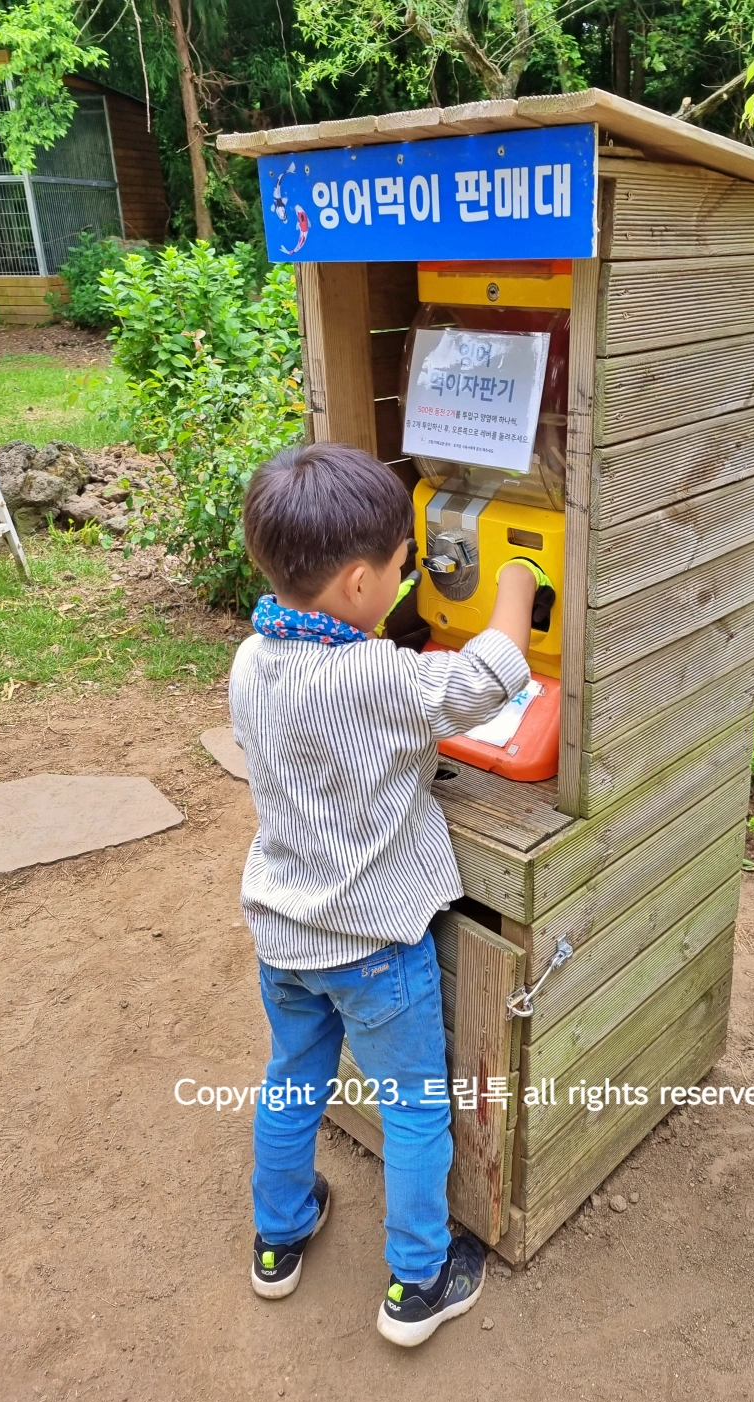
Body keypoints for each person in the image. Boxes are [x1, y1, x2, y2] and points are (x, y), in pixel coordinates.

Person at [229, 442, 545, 1347]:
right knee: (414, 1108)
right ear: (362, 583)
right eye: (408, 566)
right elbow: (487, 679)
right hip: (372, 949)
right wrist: (518, 583)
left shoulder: (251, 659)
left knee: (292, 1079)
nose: (416, 576)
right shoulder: (377, 677)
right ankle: (419, 1280)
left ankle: (280, 1239)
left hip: (285, 936)